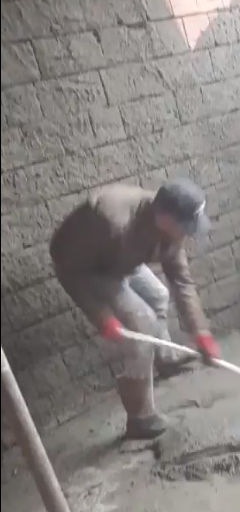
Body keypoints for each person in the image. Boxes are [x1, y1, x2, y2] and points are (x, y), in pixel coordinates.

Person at [50, 179, 220, 441]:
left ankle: (166, 359)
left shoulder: (169, 226)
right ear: (165, 218)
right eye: (185, 227)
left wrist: (201, 333)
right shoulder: (110, 219)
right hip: (89, 268)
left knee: (159, 295)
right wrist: (101, 316)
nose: (187, 234)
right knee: (143, 326)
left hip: (122, 258)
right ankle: (140, 418)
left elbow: (181, 280)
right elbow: (71, 271)